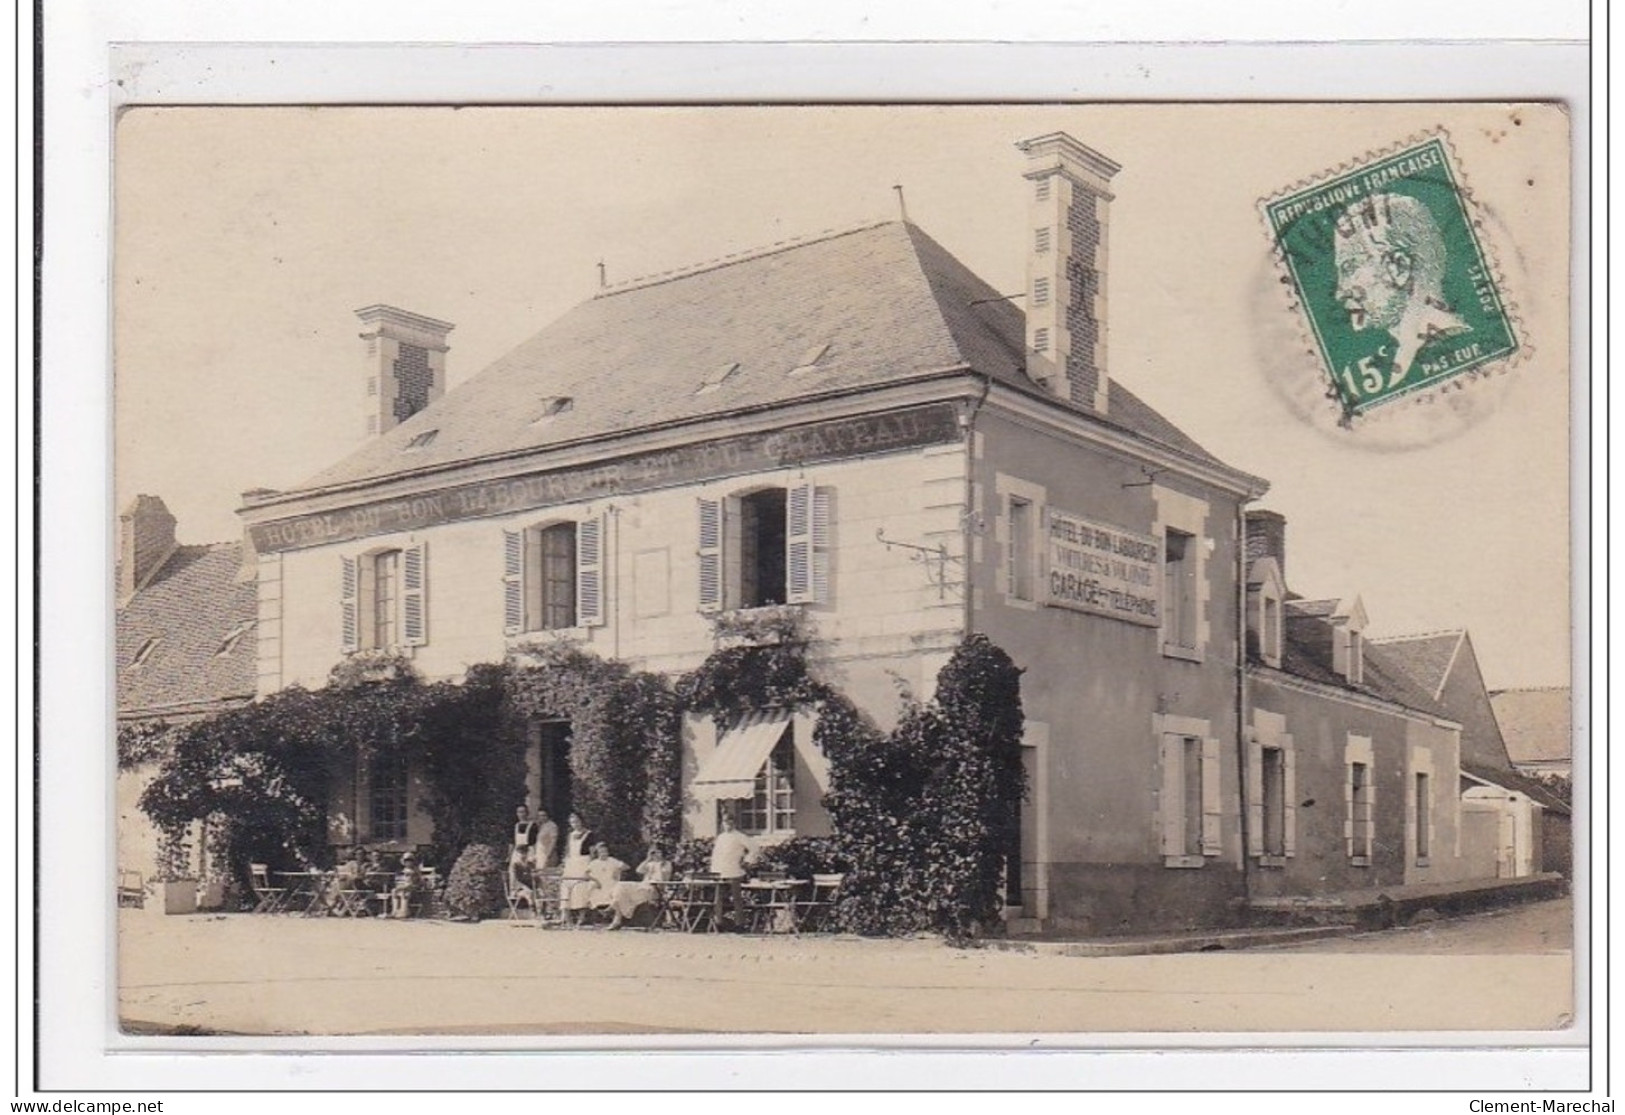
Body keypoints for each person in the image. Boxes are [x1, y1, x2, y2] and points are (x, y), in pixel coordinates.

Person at [1332, 190, 1470, 384]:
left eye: (1350, 268)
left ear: (1399, 268)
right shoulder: (1408, 360)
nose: (1340, 292)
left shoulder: (1450, 350)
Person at [606, 843, 674, 931]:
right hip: (643, 886)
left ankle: (615, 916)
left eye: (658, 852)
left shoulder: (667, 864)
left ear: (663, 853)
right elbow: (639, 870)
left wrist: (659, 867)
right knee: (620, 885)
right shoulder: (650, 863)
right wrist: (648, 859)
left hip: (654, 889)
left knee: (621, 892)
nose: (656, 855)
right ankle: (615, 912)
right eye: (654, 852)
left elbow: (665, 879)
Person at [710, 812, 758, 931]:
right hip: (720, 871)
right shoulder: (721, 837)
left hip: (734, 871)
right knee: (718, 898)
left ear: (734, 823)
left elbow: (754, 848)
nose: (728, 825)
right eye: (725, 822)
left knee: (736, 898)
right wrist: (713, 870)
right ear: (722, 823)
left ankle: (739, 924)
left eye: (730, 822)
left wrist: (747, 861)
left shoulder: (740, 836)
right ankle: (718, 923)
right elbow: (716, 855)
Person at [566, 841, 627, 926]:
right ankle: (594, 916)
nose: (604, 854)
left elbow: (626, 867)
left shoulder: (612, 860)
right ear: (598, 853)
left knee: (616, 893)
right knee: (590, 891)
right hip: (599, 885)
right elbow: (586, 874)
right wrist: (596, 880)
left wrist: (617, 871)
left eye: (605, 851)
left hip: (611, 883)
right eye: (601, 852)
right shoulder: (594, 863)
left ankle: (610, 915)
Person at [509, 804, 540, 899]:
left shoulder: (533, 825)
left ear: (527, 813)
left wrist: (534, 855)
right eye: (519, 812)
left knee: (528, 871)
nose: (521, 814)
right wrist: (509, 854)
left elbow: (535, 842)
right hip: (517, 852)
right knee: (514, 871)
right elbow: (511, 842)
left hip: (529, 851)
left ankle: (532, 892)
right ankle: (516, 891)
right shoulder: (515, 826)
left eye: (523, 812)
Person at [390, 850, 424, 919]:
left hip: (413, 887)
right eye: (406, 861)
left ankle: (404, 911)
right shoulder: (401, 870)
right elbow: (398, 880)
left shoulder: (415, 870)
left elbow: (419, 881)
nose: (408, 862)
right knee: (394, 891)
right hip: (403, 886)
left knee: (404, 892)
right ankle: (395, 910)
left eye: (410, 861)